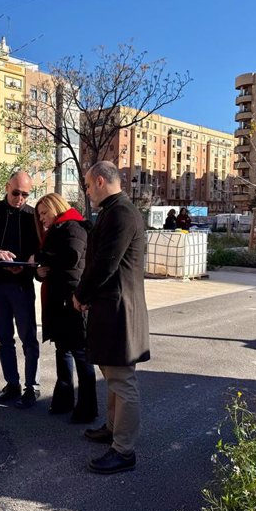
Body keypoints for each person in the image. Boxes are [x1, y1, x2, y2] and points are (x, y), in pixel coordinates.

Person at [73, 161, 150, 475]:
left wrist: (82, 294)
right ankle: (111, 428)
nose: (88, 192)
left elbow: (105, 263)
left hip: (121, 311)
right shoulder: (115, 210)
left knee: (122, 379)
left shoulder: (120, 213)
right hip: (113, 308)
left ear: (101, 181)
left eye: (89, 186)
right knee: (113, 376)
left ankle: (124, 450)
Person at [0, 171, 40, 408]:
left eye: (25, 194)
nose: (20, 198)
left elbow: (37, 249)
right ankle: (12, 383)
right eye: (16, 193)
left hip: (22, 284)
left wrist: (25, 267)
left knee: (28, 338)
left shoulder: (32, 215)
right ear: (7, 187)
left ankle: (31, 386)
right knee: (4, 338)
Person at [33, 193, 98, 423]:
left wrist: (40, 257)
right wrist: (39, 271)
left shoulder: (73, 226)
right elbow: (54, 266)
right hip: (60, 300)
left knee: (80, 354)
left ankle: (87, 407)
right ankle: (64, 399)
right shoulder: (59, 228)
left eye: (44, 213)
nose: (41, 218)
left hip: (74, 300)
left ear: (55, 207)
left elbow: (70, 257)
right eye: (39, 214)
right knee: (63, 351)